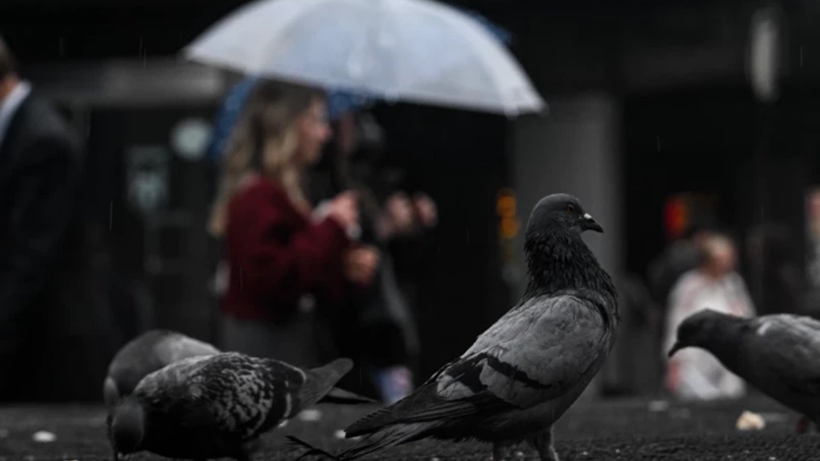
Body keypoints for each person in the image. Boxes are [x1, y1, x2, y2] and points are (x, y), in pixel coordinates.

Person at [210, 79, 379, 367]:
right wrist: (332, 226)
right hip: (266, 353)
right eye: (316, 120)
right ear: (288, 126)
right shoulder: (257, 196)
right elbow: (273, 281)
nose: (325, 134)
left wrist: (342, 266)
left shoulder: (284, 193)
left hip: (283, 347)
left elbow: (299, 272)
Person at [0, 37, 116, 401]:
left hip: (53, 340)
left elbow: (30, 255)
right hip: (39, 335)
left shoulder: (40, 138)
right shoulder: (27, 128)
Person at [309, 110, 436, 403]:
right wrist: (381, 230)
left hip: (383, 323)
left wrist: (410, 226)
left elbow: (399, 259)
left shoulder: (367, 176)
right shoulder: (322, 179)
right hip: (349, 327)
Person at [663, 233, 756, 401]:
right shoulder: (689, 285)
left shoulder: (733, 283)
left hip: (727, 355)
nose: (727, 263)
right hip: (696, 357)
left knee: (730, 400)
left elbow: (747, 317)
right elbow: (676, 321)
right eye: (722, 259)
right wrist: (674, 361)